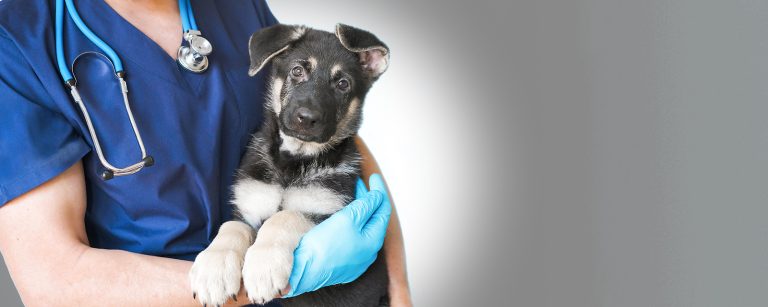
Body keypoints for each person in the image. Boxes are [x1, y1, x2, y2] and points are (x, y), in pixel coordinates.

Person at [0, 0, 411, 306]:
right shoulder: (19, 39)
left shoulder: (235, 6)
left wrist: (400, 293)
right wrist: (266, 277)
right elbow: (53, 280)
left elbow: (328, 133)